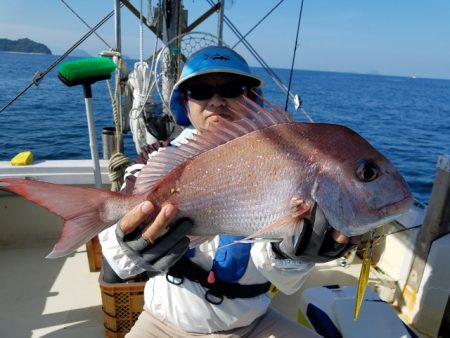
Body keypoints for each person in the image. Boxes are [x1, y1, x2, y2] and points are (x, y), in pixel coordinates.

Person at [99, 46, 357, 337]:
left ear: (252, 98)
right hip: (163, 324)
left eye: (232, 89)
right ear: (184, 102)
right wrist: (129, 245)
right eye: (200, 90)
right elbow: (114, 252)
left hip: (253, 324)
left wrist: (296, 254)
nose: (217, 101)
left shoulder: (285, 160)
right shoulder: (155, 159)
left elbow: (284, 278)